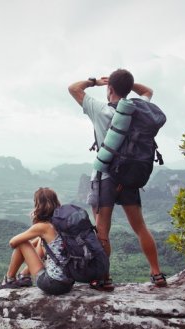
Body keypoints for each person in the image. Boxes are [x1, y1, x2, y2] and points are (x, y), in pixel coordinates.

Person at [67, 69, 167, 290]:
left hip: (106, 178)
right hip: (129, 176)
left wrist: (95, 82)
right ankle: (157, 273)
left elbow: (73, 88)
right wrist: (127, 85)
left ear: (109, 89)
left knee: (102, 230)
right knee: (140, 226)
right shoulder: (138, 109)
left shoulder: (101, 109)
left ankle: (104, 278)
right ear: (126, 88)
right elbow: (148, 90)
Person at [0, 187, 75, 295]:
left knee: (22, 242)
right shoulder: (62, 224)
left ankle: (9, 279)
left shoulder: (43, 227)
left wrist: (26, 247)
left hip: (52, 284)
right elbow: (43, 243)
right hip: (68, 284)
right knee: (40, 240)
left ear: (38, 205)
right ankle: (24, 275)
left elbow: (13, 243)